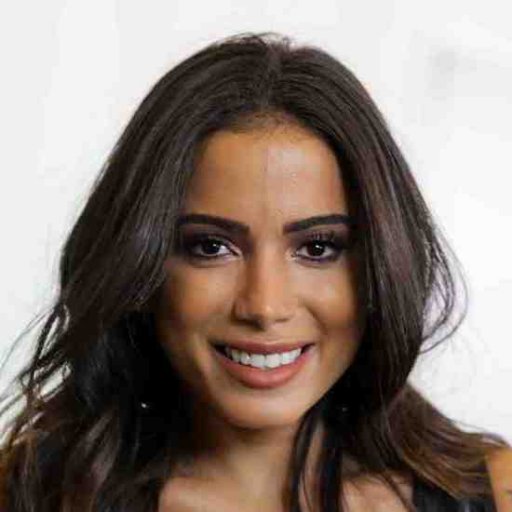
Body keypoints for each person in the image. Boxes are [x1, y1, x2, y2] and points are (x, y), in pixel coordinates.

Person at [0, 31, 510, 512]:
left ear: (382, 264)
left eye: (317, 248)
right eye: (210, 247)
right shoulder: (28, 493)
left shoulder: (496, 492)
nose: (264, 306)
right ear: (140, 266)